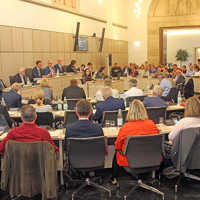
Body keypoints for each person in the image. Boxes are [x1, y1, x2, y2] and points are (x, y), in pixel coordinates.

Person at [112, 100, 159, 183]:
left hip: (130, 161)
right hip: (151, 160)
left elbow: (117, 146)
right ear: (144, 110)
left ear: (129, 112)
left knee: (117, 152)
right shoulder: (152, 125)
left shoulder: (126, 127)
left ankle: (114, 178)